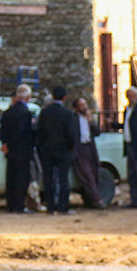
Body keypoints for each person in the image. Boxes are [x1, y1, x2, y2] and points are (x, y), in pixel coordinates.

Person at [36, 86, 78, 215]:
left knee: (48, 179)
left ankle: (50, 205)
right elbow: (71, 133)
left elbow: (39, 132)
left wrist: (42, 147)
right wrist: (71, 147)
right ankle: (63, 205)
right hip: (63, 150)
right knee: (63, 178)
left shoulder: (45, 113)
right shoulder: (67, 114)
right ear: (64, 98)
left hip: (47, 150)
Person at [0, 84, 35, 213]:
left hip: (10, 150)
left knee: (11, 178)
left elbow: (3, 131)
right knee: (21, 178)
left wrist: (6, 144)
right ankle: (19, 205)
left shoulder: (8, 112)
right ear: (28, 97)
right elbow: (24, 133)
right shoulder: (26, 113)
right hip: (22, 150)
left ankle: (11, 204)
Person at [72, 97, 103, 208]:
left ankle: (91, 201)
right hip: (79, 149)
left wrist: (91, 122)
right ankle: (97, 200)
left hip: (89, 148)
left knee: (94, 174)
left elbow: (97, 133)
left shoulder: (89, 118)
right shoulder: (73, 118)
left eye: (85, 104)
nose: (84, 107)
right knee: (87, 175)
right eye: (81, 105)